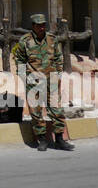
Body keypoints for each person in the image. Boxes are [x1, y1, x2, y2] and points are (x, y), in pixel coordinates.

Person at [12, 13, 75, 151]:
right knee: (36, 111)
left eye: (43, 25)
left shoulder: (52, 39)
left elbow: (58, 57)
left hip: (51, 79)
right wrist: (25, 77)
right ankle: (42, 140)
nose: (42, 28)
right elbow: (20, 60)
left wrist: (58, 74)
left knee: (56, 109)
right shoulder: (25, 41)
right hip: (33, 81)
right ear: (33, 26)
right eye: (39, 25)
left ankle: (59, 139)